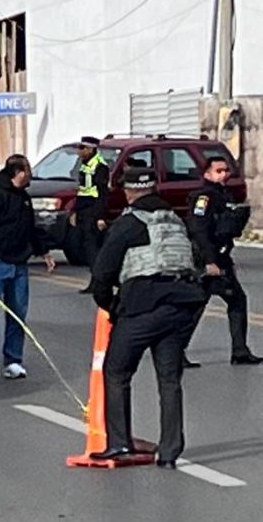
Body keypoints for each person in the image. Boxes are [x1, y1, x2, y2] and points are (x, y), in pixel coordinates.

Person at [88, 166, 207, 468]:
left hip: (142, 306)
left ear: (128, 191)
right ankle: (170, 450)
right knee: (169, 379)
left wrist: (110, 305)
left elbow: (102, 272)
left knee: (116, 372)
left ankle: (119, 444)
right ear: (153, 188)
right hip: (181, 306)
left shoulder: (128, 224)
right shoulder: (175, 220)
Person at [0, 154, 56, 382]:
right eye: (27, 171)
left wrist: (43, 250)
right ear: (18, 172)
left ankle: (13, 360)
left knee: (17, 314)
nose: (30, 176)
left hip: (20, 264)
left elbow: (30, 228)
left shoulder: (24, 199)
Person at [185, 155, 261, 365]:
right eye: (219, 171)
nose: (224, 174)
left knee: (233, 301)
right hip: (207, 259)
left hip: (221, 256)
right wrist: (210, 261)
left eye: (226, 170)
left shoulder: (222, 195)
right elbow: (199, 230)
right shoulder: (204, 197)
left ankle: (240, 351)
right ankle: (177, 351)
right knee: (199, 304)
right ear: (207, 173)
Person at [70, 136, 110, 292]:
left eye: (82, 148)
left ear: (91, 149)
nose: (79, 151)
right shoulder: (84, 164)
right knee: (87, 248)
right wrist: (75, 211)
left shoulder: (100, 166)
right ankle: (94, 281)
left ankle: (98, 283)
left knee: (93, 249)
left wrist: (100, 217)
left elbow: (102, 194)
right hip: (84, 208)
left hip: (93, 210)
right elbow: (82, 190)